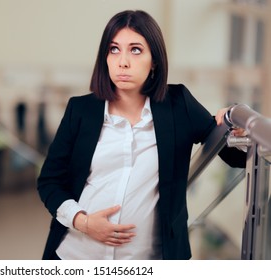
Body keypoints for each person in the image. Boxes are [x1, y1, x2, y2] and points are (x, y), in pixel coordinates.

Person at [37, 10, 246, 260]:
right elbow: (49, 182)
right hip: (76, 255)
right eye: (114, 49)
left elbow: (236, 157)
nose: (122, 61)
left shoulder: (178, 105)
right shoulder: (80, 110)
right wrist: (83, 221)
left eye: (135, 50)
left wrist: (237, 126)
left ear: (154, 60)